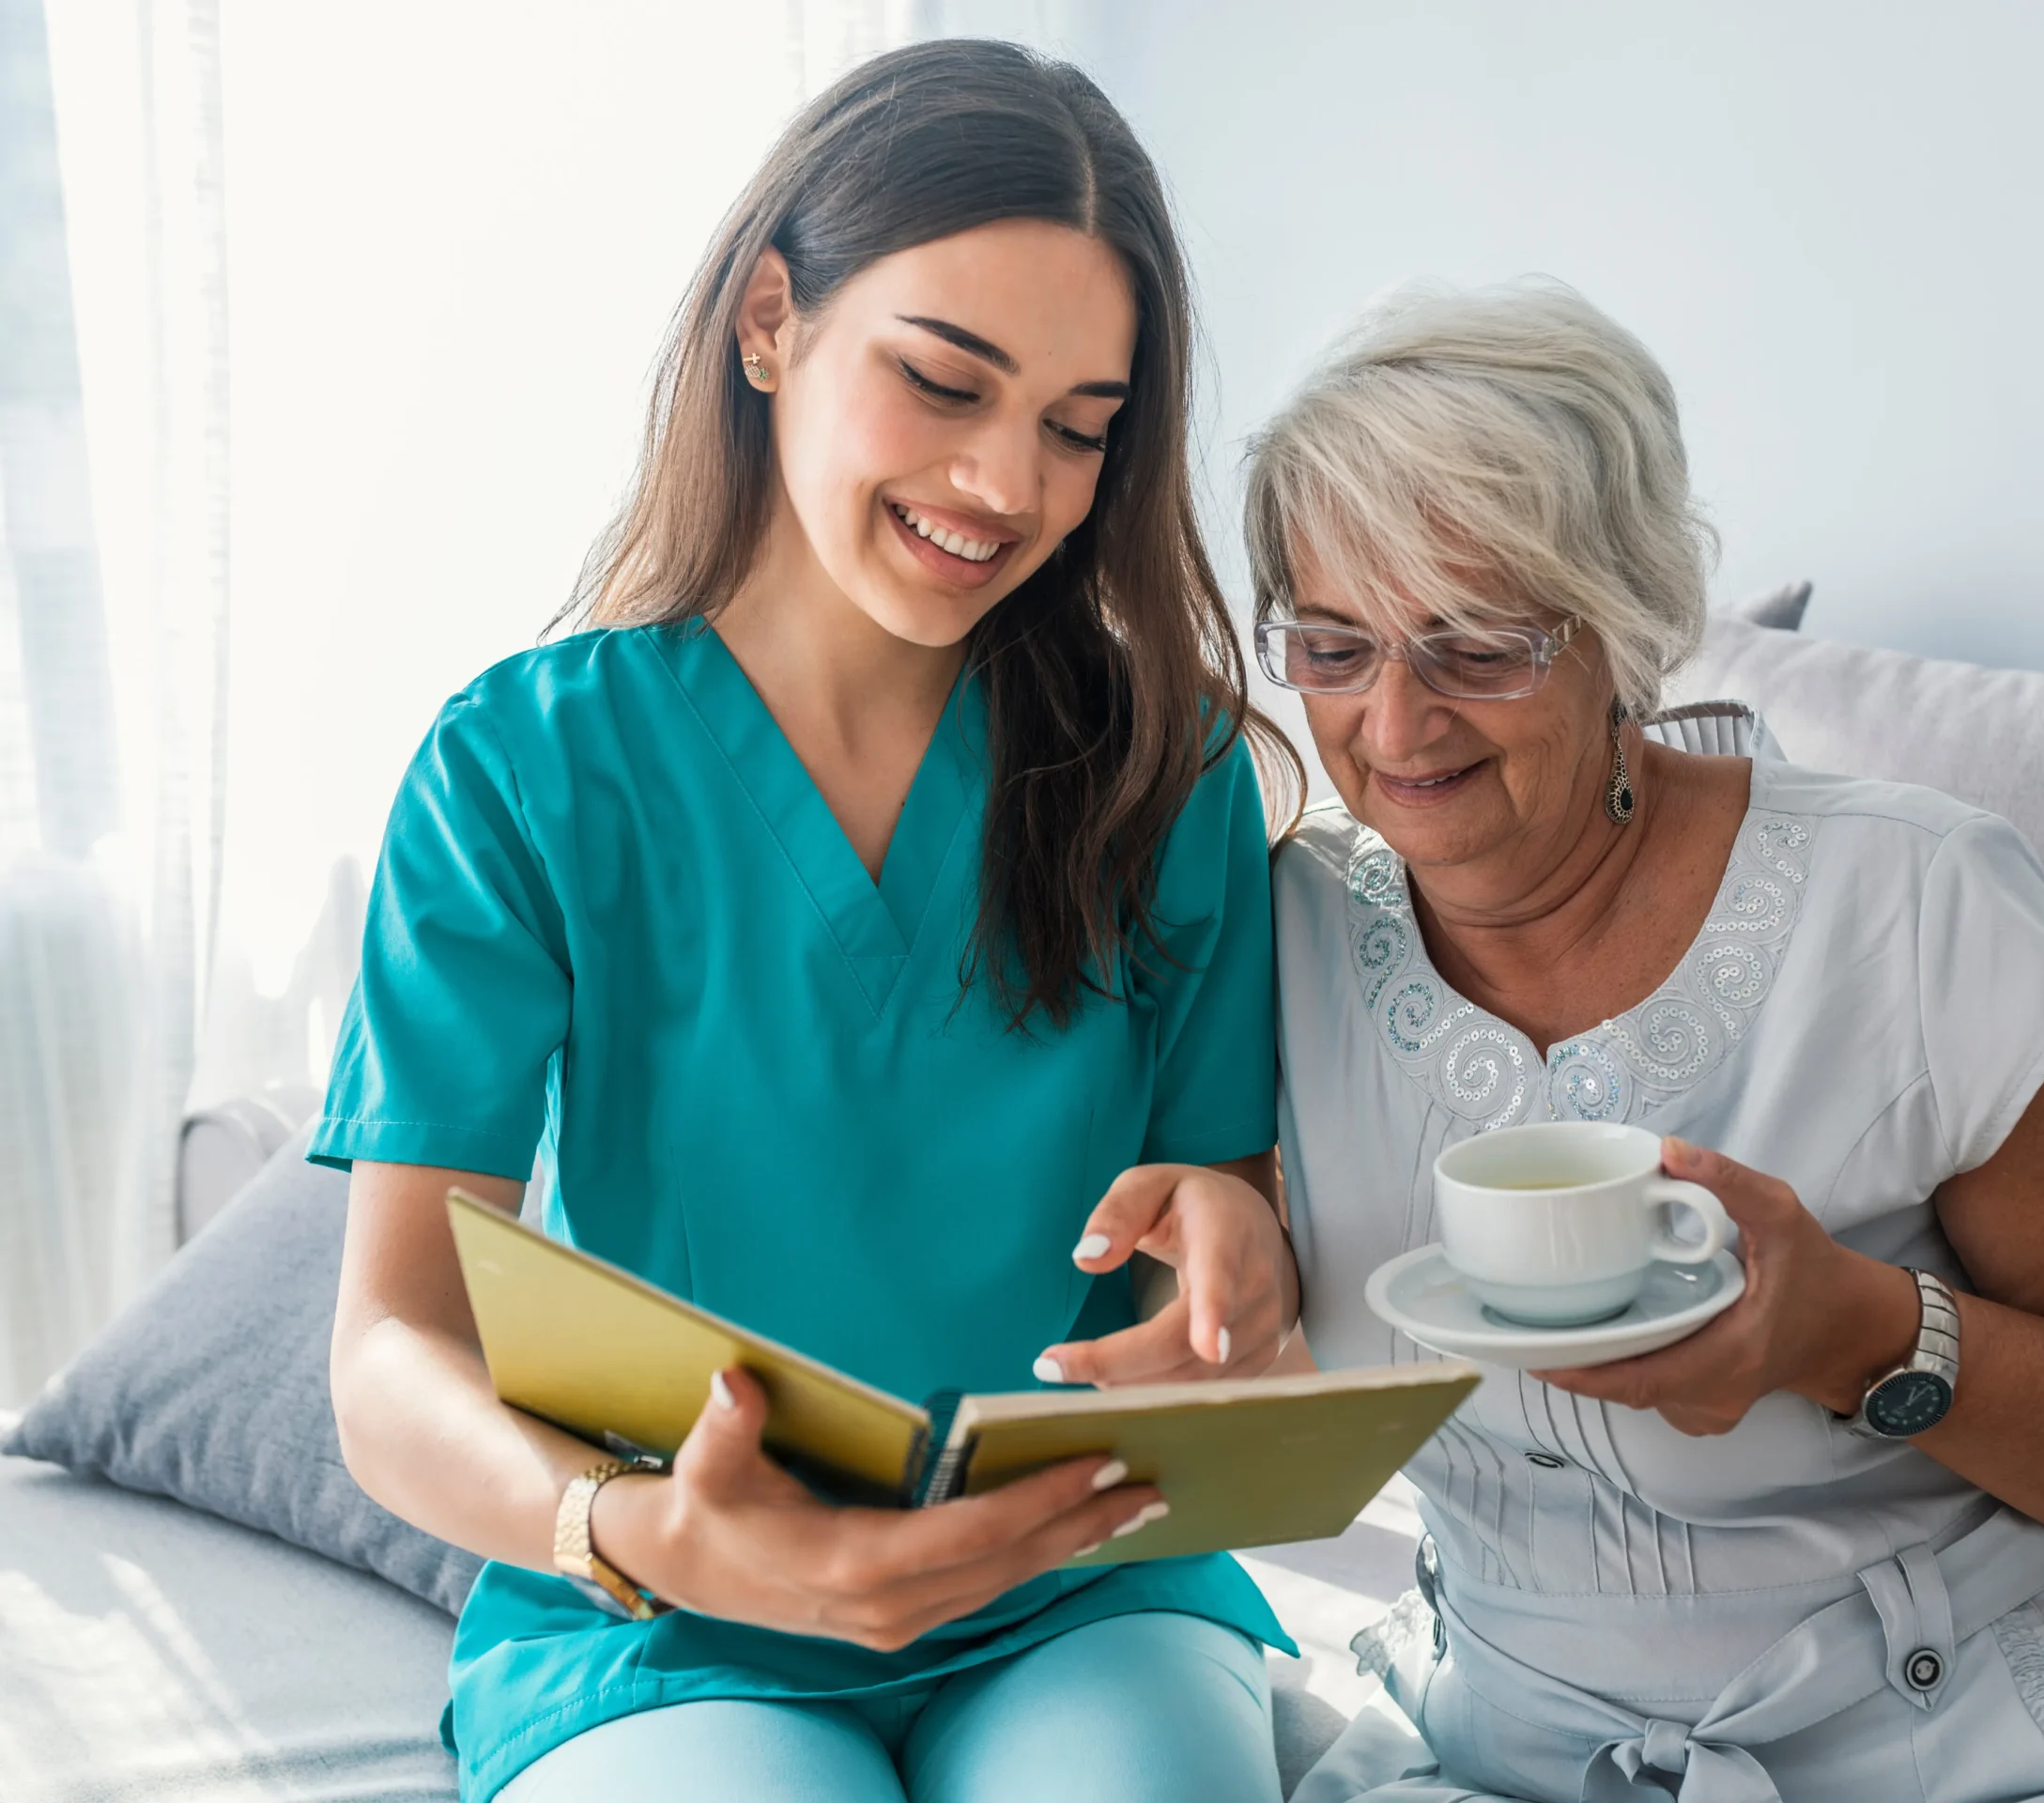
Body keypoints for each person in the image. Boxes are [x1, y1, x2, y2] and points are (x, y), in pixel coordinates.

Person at [315, 40, 1303, 1803]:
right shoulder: (523, 771)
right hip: (660, 1610)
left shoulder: (1170, 770)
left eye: (1079, 428)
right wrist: (634, 1531)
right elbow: (395, 1349)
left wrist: (1235, 1255)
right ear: (770, 320)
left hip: (1076, 1587)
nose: (1006, 484)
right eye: (944, 382)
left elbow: (1217, 1242)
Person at [1254, 279, 2044, 1801]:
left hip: (1998, 1745)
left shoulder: (1910, 899)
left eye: (1480, 647)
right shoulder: (1273, 934)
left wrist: (1856, 1334)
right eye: (1333, 646)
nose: (1393, 726)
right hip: (1508, 1753)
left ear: (1623, 629)